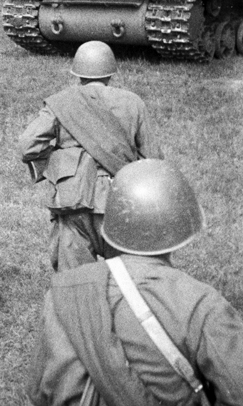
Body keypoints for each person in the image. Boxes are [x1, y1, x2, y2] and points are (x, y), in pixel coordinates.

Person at [26, 159, 243, 406]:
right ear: (182, 227)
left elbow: (39, 391)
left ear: (113, 224)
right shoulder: (200, 304)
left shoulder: (63, 293)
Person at [18, 40, 162, 271]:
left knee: (75, 285)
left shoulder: (61, 102)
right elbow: (153, 160)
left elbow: (28, 145)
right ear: (110, 73)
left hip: (74, 201)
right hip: (121, 201)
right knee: (130, 281)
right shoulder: (133, 102)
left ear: (78, 73)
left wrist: (59, 159)